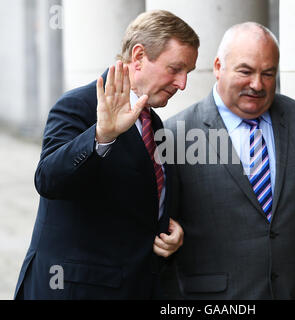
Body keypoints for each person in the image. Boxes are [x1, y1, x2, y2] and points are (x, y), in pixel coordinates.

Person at [14, 10, 199, 300]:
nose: (183, 83)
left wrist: (169, 233)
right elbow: (49, 180)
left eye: (188, 72)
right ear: (138, 57)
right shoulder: (78, 104)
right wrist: (102, 136)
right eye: (175, 68)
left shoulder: (154, 123)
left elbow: (139, 203)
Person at [162, 22, 295, 299]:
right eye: (245, 71)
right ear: (218, 67)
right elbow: (163, 244)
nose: (257, 84)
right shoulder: (175, 134)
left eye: (268, 73)